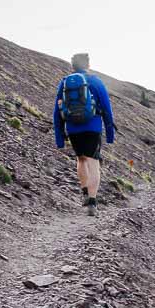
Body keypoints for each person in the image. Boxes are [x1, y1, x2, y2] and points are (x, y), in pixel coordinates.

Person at [53, 53, 115, 216]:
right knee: (93, 162)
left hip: (73, 128)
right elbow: (107, 108)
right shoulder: (95, 81)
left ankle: (85, 192)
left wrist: (59, 137)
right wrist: (110, 134)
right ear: (88, 64)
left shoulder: (65, 82)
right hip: (92, 127)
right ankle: (93, 202)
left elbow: (57, 111)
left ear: (72, 66)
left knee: (81, 159)